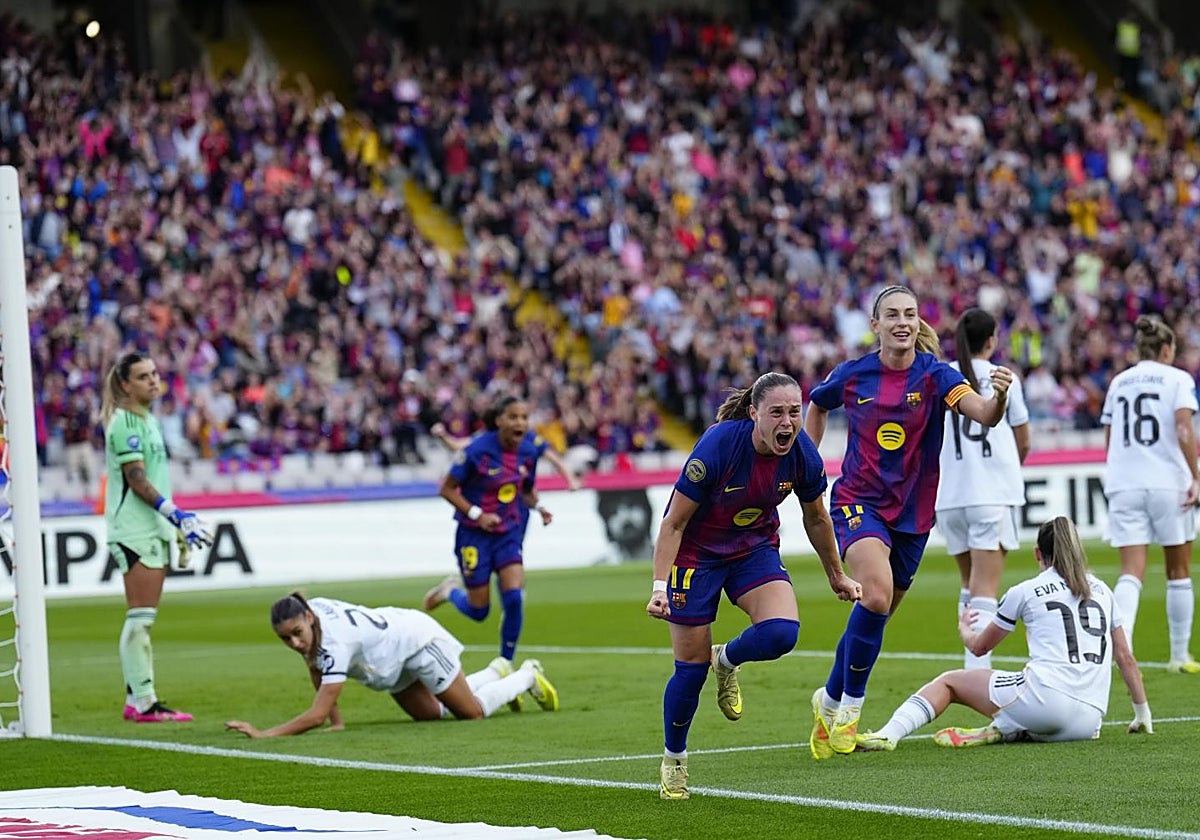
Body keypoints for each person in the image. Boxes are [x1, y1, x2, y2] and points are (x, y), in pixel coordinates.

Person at [803, 286, 1013, 760]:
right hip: (859, 502)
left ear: (920, 324)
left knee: (874, 615)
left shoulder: (937, 375)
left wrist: (997, 397)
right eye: (892, 315)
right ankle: (849, 715)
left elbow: (983, 415)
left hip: (914, 517)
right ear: (875, 325)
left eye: (911, 314)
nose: (903, 322)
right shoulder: (854, 375)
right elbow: (817, 404)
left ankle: (829, 699)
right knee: (874, 595)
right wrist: (808, 462)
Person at [645, 372, 862, 800]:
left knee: (782, 632)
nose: (787, 422)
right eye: (776, 412)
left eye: (794, 412)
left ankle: (725, 659)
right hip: (696, 555)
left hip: (752, 549)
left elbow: (817, 518)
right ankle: (674, 759)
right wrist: (658, 585)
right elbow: (673, 522)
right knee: (689, 673)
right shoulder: (719, 446)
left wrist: (836, 574)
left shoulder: (802, 454)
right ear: (754, 414)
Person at [856, 516, 1152, 750]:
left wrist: (964, 630)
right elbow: (1125, 658)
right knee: (1023, 693)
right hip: (1089, 722)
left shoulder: (1026, 590)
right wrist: (1142, 716)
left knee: (949, 682)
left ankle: (887, 735)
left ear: (1039, 553)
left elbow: (980, 647)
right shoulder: (1103, 591)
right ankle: (1008, 728)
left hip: (1046, 702)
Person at [224, 592, 558, 738]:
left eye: (297, 634)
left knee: (471, 712)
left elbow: (315, 714)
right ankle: (494, 672)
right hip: (391, 664)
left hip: (417, 642)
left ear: (308, 618)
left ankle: (526, 675)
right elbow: (316, 666)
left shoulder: (337, 641)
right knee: (431, 715)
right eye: (285, 639)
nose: (294, 644)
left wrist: (265, 734)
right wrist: (337, 722)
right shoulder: (312, 617)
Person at [101, 351, 214, 723]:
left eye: (155, 373)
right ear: (125, 385)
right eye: (143, 376)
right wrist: (175, 514)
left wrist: (171, 523)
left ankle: (138, 698)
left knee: (143, 616)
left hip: (150, 528)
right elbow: (136, 480)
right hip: (134, 529)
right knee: (140, 617)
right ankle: (143, 702)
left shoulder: (147, 421)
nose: (153, 380)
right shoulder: (126, 424)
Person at [1100, 316, 1200, 673]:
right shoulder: (1178, 379)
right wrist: (1196, 476)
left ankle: (1122, 650)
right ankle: (1179, 656)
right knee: (1178, 569)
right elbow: (1184, 429)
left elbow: (1110, 439)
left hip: (1125, 482)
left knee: (1131, 571)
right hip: (1167, 482)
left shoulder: (1118, 382)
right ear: (1167, 349)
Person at [936, 308, 1032, 669]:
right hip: (990, 492)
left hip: (950, 496)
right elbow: (1023, 440)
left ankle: (970, 668)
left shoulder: (943, 376)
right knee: (985, 591)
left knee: (969, 585)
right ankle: (977, 676)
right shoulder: (1004, 378)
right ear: (991, 341)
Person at [423, 395, 551, 667]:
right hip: (474, 534)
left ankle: (505, 663)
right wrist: (477, 514)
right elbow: (446, 489)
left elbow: (525, 489)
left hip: (507, 532)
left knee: (514, 597)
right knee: (479, 610)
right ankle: (449, 592)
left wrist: (540, 507)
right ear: (498, 421)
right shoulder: (476, 450)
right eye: (514, 417)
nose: (521, 423)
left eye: (524, 417)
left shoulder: (528, 453)